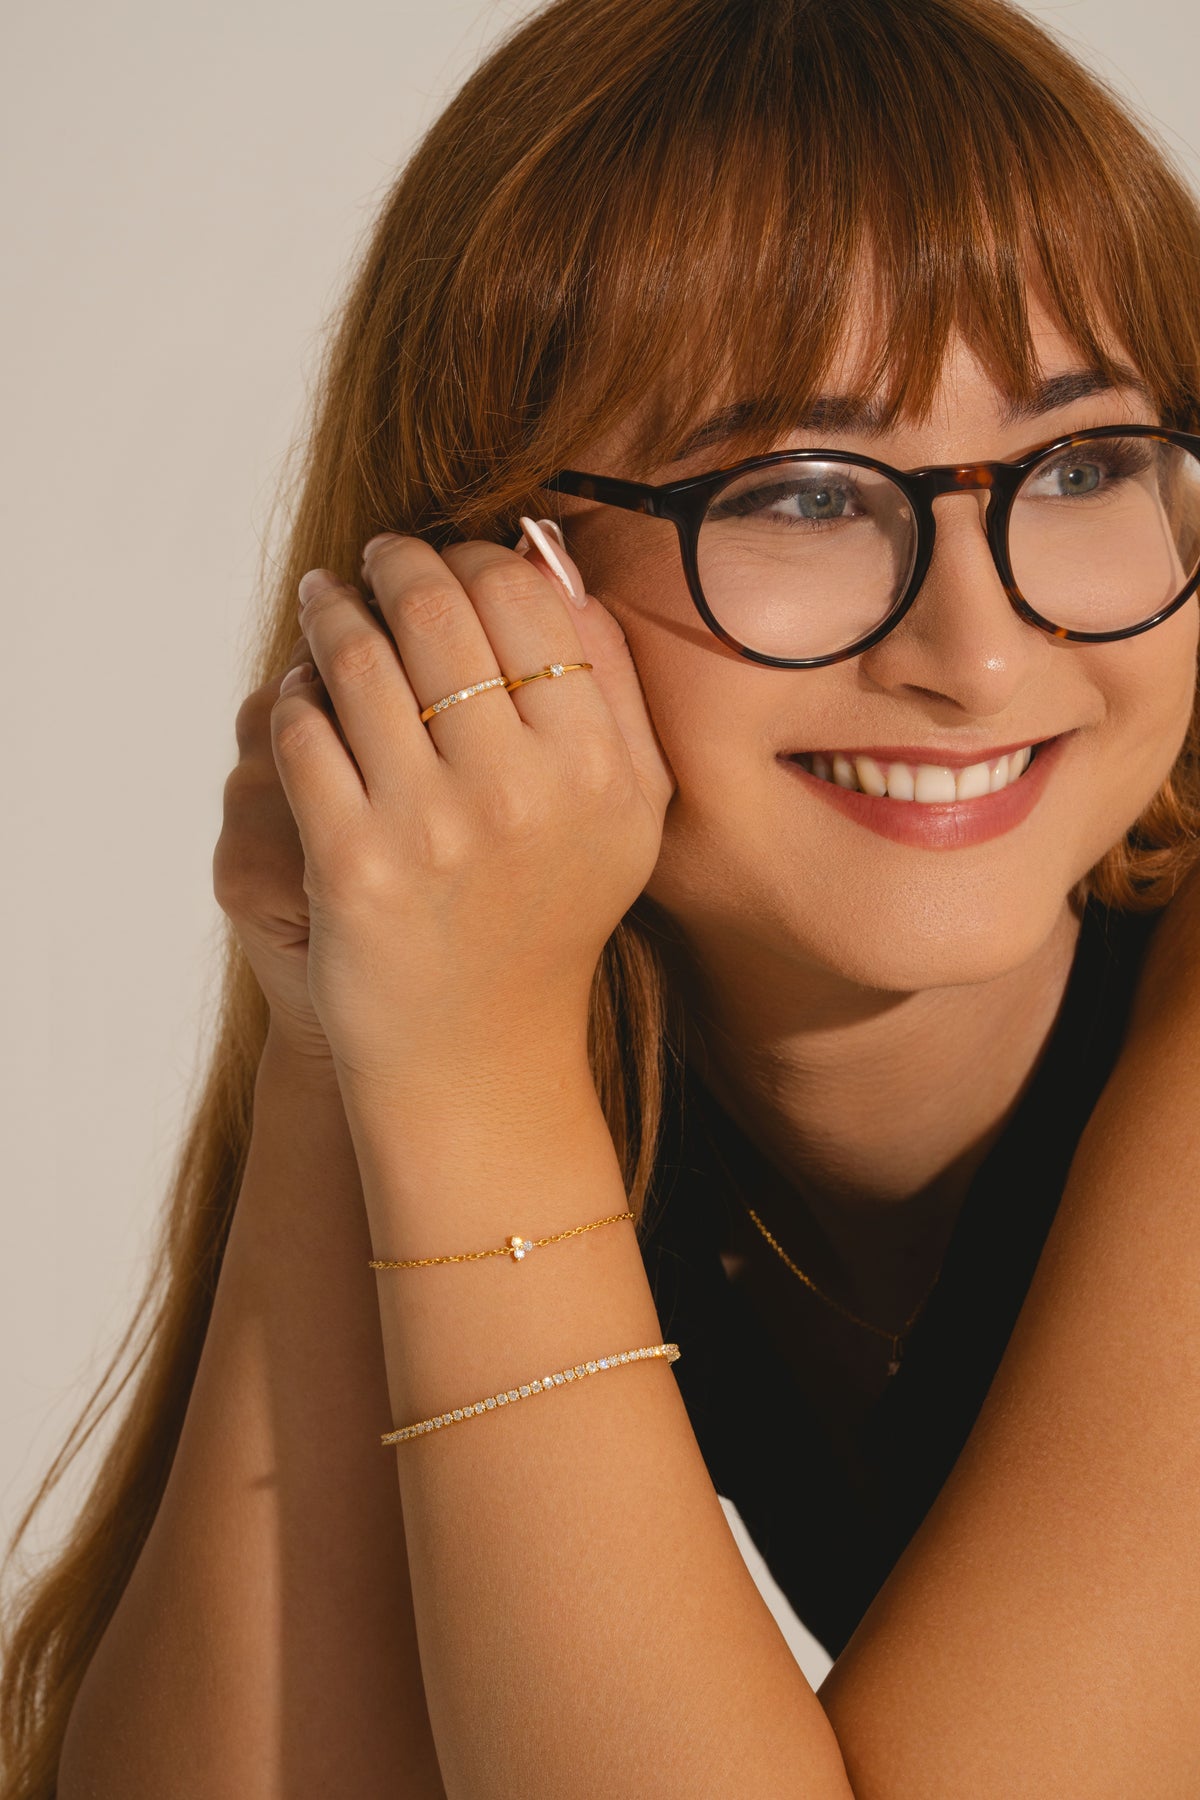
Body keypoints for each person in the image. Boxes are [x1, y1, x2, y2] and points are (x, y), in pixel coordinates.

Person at [4, 0, 1200, 1792]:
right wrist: (359, 1008)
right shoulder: (549, 1018)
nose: (977, 649)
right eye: (803, 494)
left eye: (1085, 463)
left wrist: (470, 1084)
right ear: (493, 579)